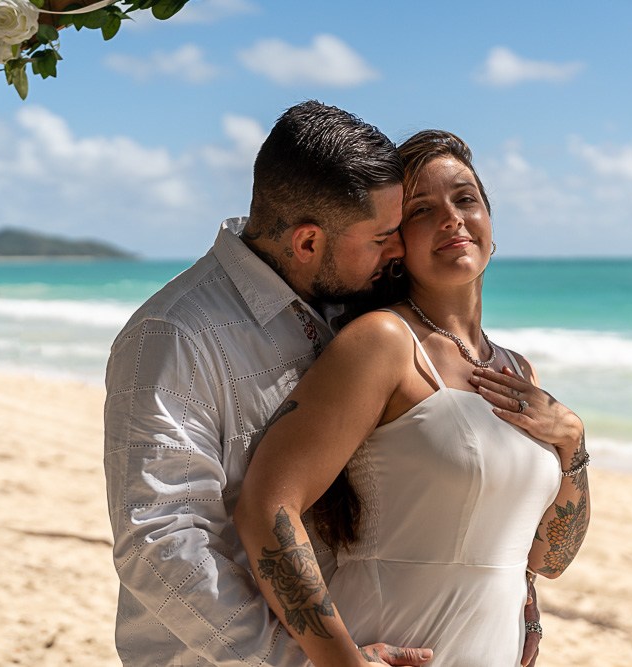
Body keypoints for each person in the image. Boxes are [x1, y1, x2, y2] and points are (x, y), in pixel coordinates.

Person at [234, 129, 591, 667]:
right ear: (395, 242)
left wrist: (573, 444)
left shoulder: (517, 371)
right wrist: (342, 663)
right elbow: (265, 508)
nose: (452, 217)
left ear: (491, 226)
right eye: (423, 210)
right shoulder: (383, 343)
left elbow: (548, 557)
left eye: (465, 198)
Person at [104, 101, 433, 666]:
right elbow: (161, 544)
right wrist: (308, 662)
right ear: (307, 243)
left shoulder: (350, 315)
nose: (398, 250)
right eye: (382, 237)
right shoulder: (174, 334)